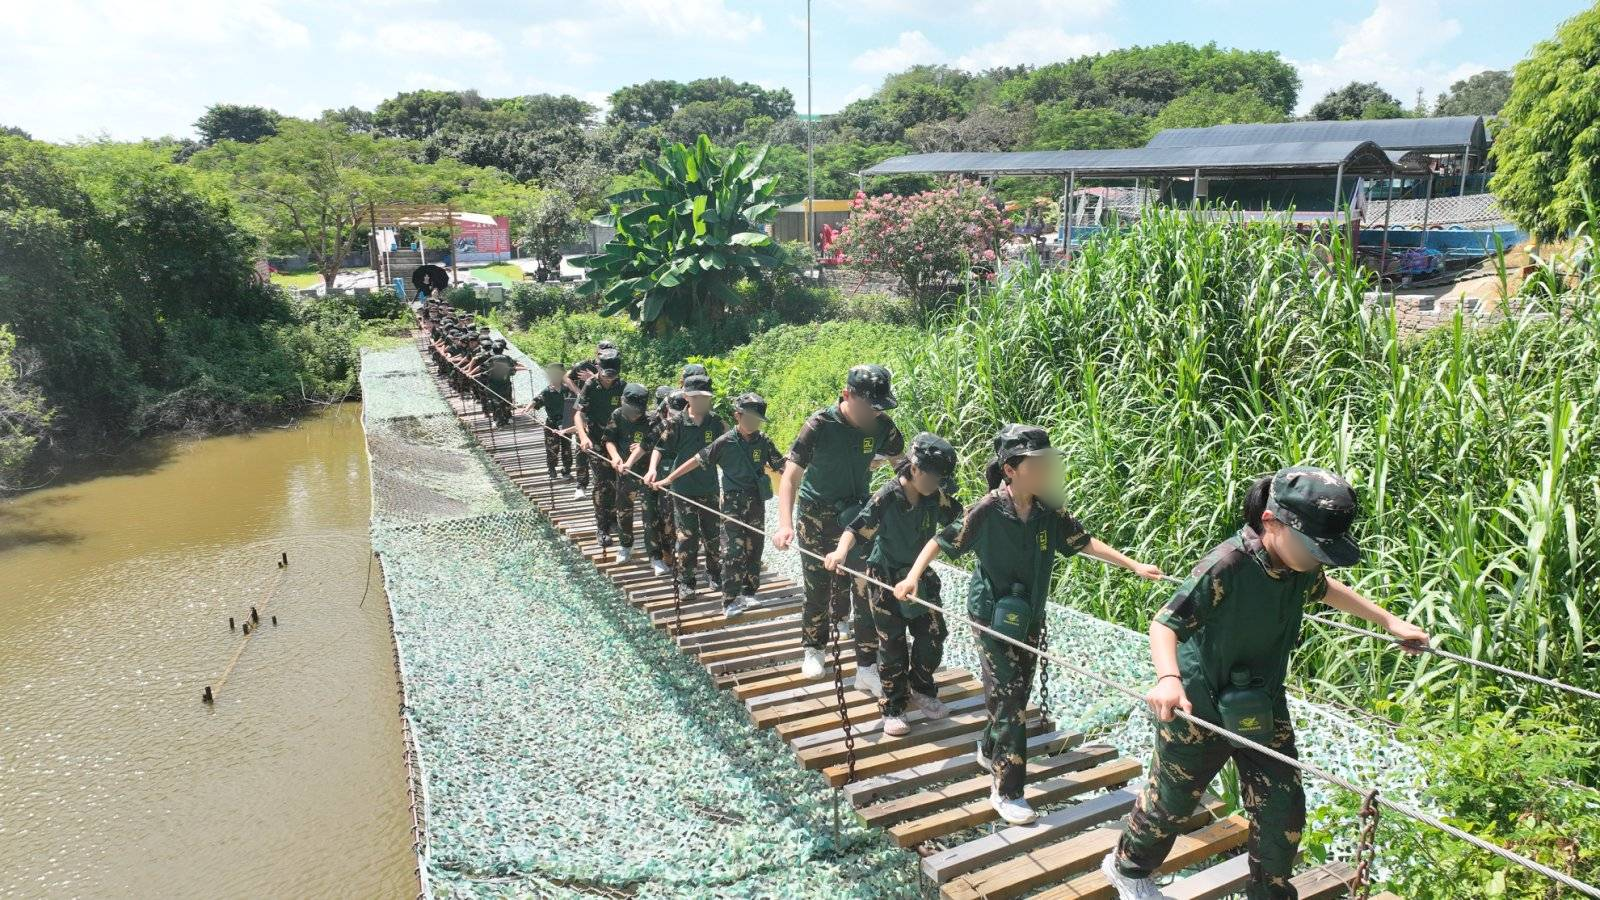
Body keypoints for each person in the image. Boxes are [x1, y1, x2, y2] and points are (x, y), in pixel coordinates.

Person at [1101, 467, 1429, 900]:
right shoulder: (1227, 565)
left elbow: (1325, 588)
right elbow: (1165, 623)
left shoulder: (1300, 563)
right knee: (1172, 803)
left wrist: (1389, 621)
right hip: (1197, 706)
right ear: (1272, 522)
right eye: (1313, 548)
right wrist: (1168, 680)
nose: (1317, 560)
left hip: (1262, 704)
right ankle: (1127, 869)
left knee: (1283, 810)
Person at [898, 424, 1163, 825]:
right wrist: (912, 577)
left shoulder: (1047, 511)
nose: (1044, 471)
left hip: (1029, 618)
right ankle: (1007, 791)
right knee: (1009, 699)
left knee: (1016, 696)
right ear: (1010, 470)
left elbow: (1083, 542)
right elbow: (940, 541)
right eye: (1035, 465)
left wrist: (1133, 565)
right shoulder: (987, 510)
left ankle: (989, 748)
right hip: (990, 617)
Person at [772, 364, 905, 689]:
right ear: (847, 395)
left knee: (865, 587)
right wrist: (785, 524)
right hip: (815, 517)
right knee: (818, 587)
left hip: (857, 516)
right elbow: (790, 476)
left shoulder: (882, 426)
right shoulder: (819, 425)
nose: (873, 414)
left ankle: (866, 667)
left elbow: (901, 466)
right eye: (867, 407)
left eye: (878, 407)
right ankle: (814, 648)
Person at [824, 432, 963, 737]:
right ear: (914, 469)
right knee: (892, 644)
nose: (935, 485)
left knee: (933, 634)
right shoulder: (887, 496)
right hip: (885, 577)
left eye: (940, 480)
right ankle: (893, 707)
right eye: (932, 478)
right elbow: (855, 529)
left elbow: (961, 519)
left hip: (919, 575)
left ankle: (922, 688)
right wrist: (840, 552)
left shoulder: (934, 495)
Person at [658, 392, 784, 616]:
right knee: (733, 550)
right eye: (749, 419)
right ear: (737, 416)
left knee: (754, 548)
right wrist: (669, 478)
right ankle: (730, 600)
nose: (753, 424)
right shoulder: (725, 442)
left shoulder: (764, 441)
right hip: (732, 503)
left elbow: (782, 466)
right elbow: (696, 460)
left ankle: (749, 592)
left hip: (756, 502)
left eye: (757, 421)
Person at [648, 373, 725, 596]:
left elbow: (731, 444)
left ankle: (715, 574)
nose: (701, 402)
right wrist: (652, 469)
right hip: (683, 489)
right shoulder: (676, 423)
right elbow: (659, 448)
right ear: (687, 397)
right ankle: (687, 581)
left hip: (709, 487)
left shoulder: (716, 422)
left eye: (705, 398)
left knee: (712, 535)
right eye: (697, 397)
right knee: (687, 537)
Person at [602, 383, 653, 564]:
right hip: (625, 471)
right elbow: (609, 439)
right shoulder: (617, 415)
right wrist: (615, 457)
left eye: (638, 412)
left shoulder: (652, 420)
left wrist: (644, 448)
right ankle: (625, 545)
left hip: (647, 473)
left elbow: (658, 445)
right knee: (624, 510)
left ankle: (655, 553)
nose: (634, 415)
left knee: (650, 514)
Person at [575, 348, 625, 525]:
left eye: (612, 376)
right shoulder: (590, 385)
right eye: (606, 376)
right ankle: (602, 526)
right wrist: (583, 437)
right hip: (596, 438)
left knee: (617, 482)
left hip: (617, 441)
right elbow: (578, 414)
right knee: (602, 482)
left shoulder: (622, 386)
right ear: (598, 368)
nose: (609, 380)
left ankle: (613, 517)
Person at [642, 386, 677, 576]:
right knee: (650, 517)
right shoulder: (651, 421)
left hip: (669, 477)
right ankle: (655, 557)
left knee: (668, 517)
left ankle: (669, 554)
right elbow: (644, 444)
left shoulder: (680, 423)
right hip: (649, 475)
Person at [527, 363, 575, 479]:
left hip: (566, 423)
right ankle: (552, 469)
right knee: (552, 448)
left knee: (567, 448)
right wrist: (527, 409)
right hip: (552, 423)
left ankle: (566, 470)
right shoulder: (547, 391)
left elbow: (576, 402)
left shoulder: (567, 390)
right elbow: (536, 401)